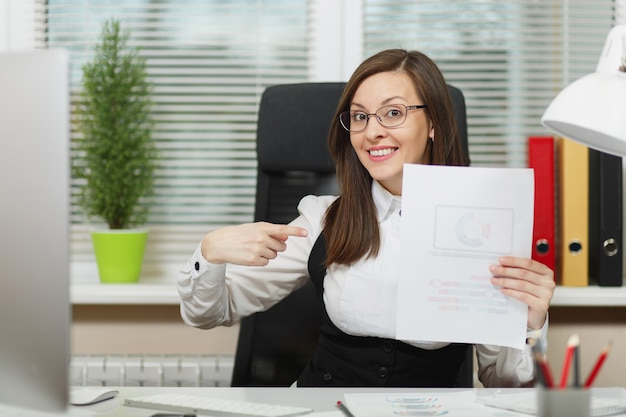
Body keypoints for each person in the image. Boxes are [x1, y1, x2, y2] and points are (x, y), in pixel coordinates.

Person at [177, 49, 555, 388]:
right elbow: (207, 313)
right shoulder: (322, 220)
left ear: (435, 123)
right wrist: (209, 253)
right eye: (359, 117)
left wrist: (530, 323)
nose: (372, 132)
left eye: (393, 113)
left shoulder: (483, 228)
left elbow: (507, 385)